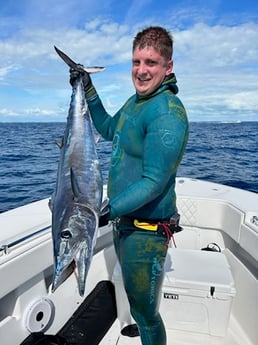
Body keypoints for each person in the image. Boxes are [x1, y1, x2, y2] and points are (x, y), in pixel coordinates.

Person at [70, 26, 189, 345]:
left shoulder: (167, 114)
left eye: (151, 62)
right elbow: (109, 129)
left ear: (168, 67)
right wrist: (88, 89)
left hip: (146, 232)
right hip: (125, 224)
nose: (141, 70)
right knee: (139, 305)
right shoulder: (136, 103)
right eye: (136, 62)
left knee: (147, 316)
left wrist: (106, 211)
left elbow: (153, 182)